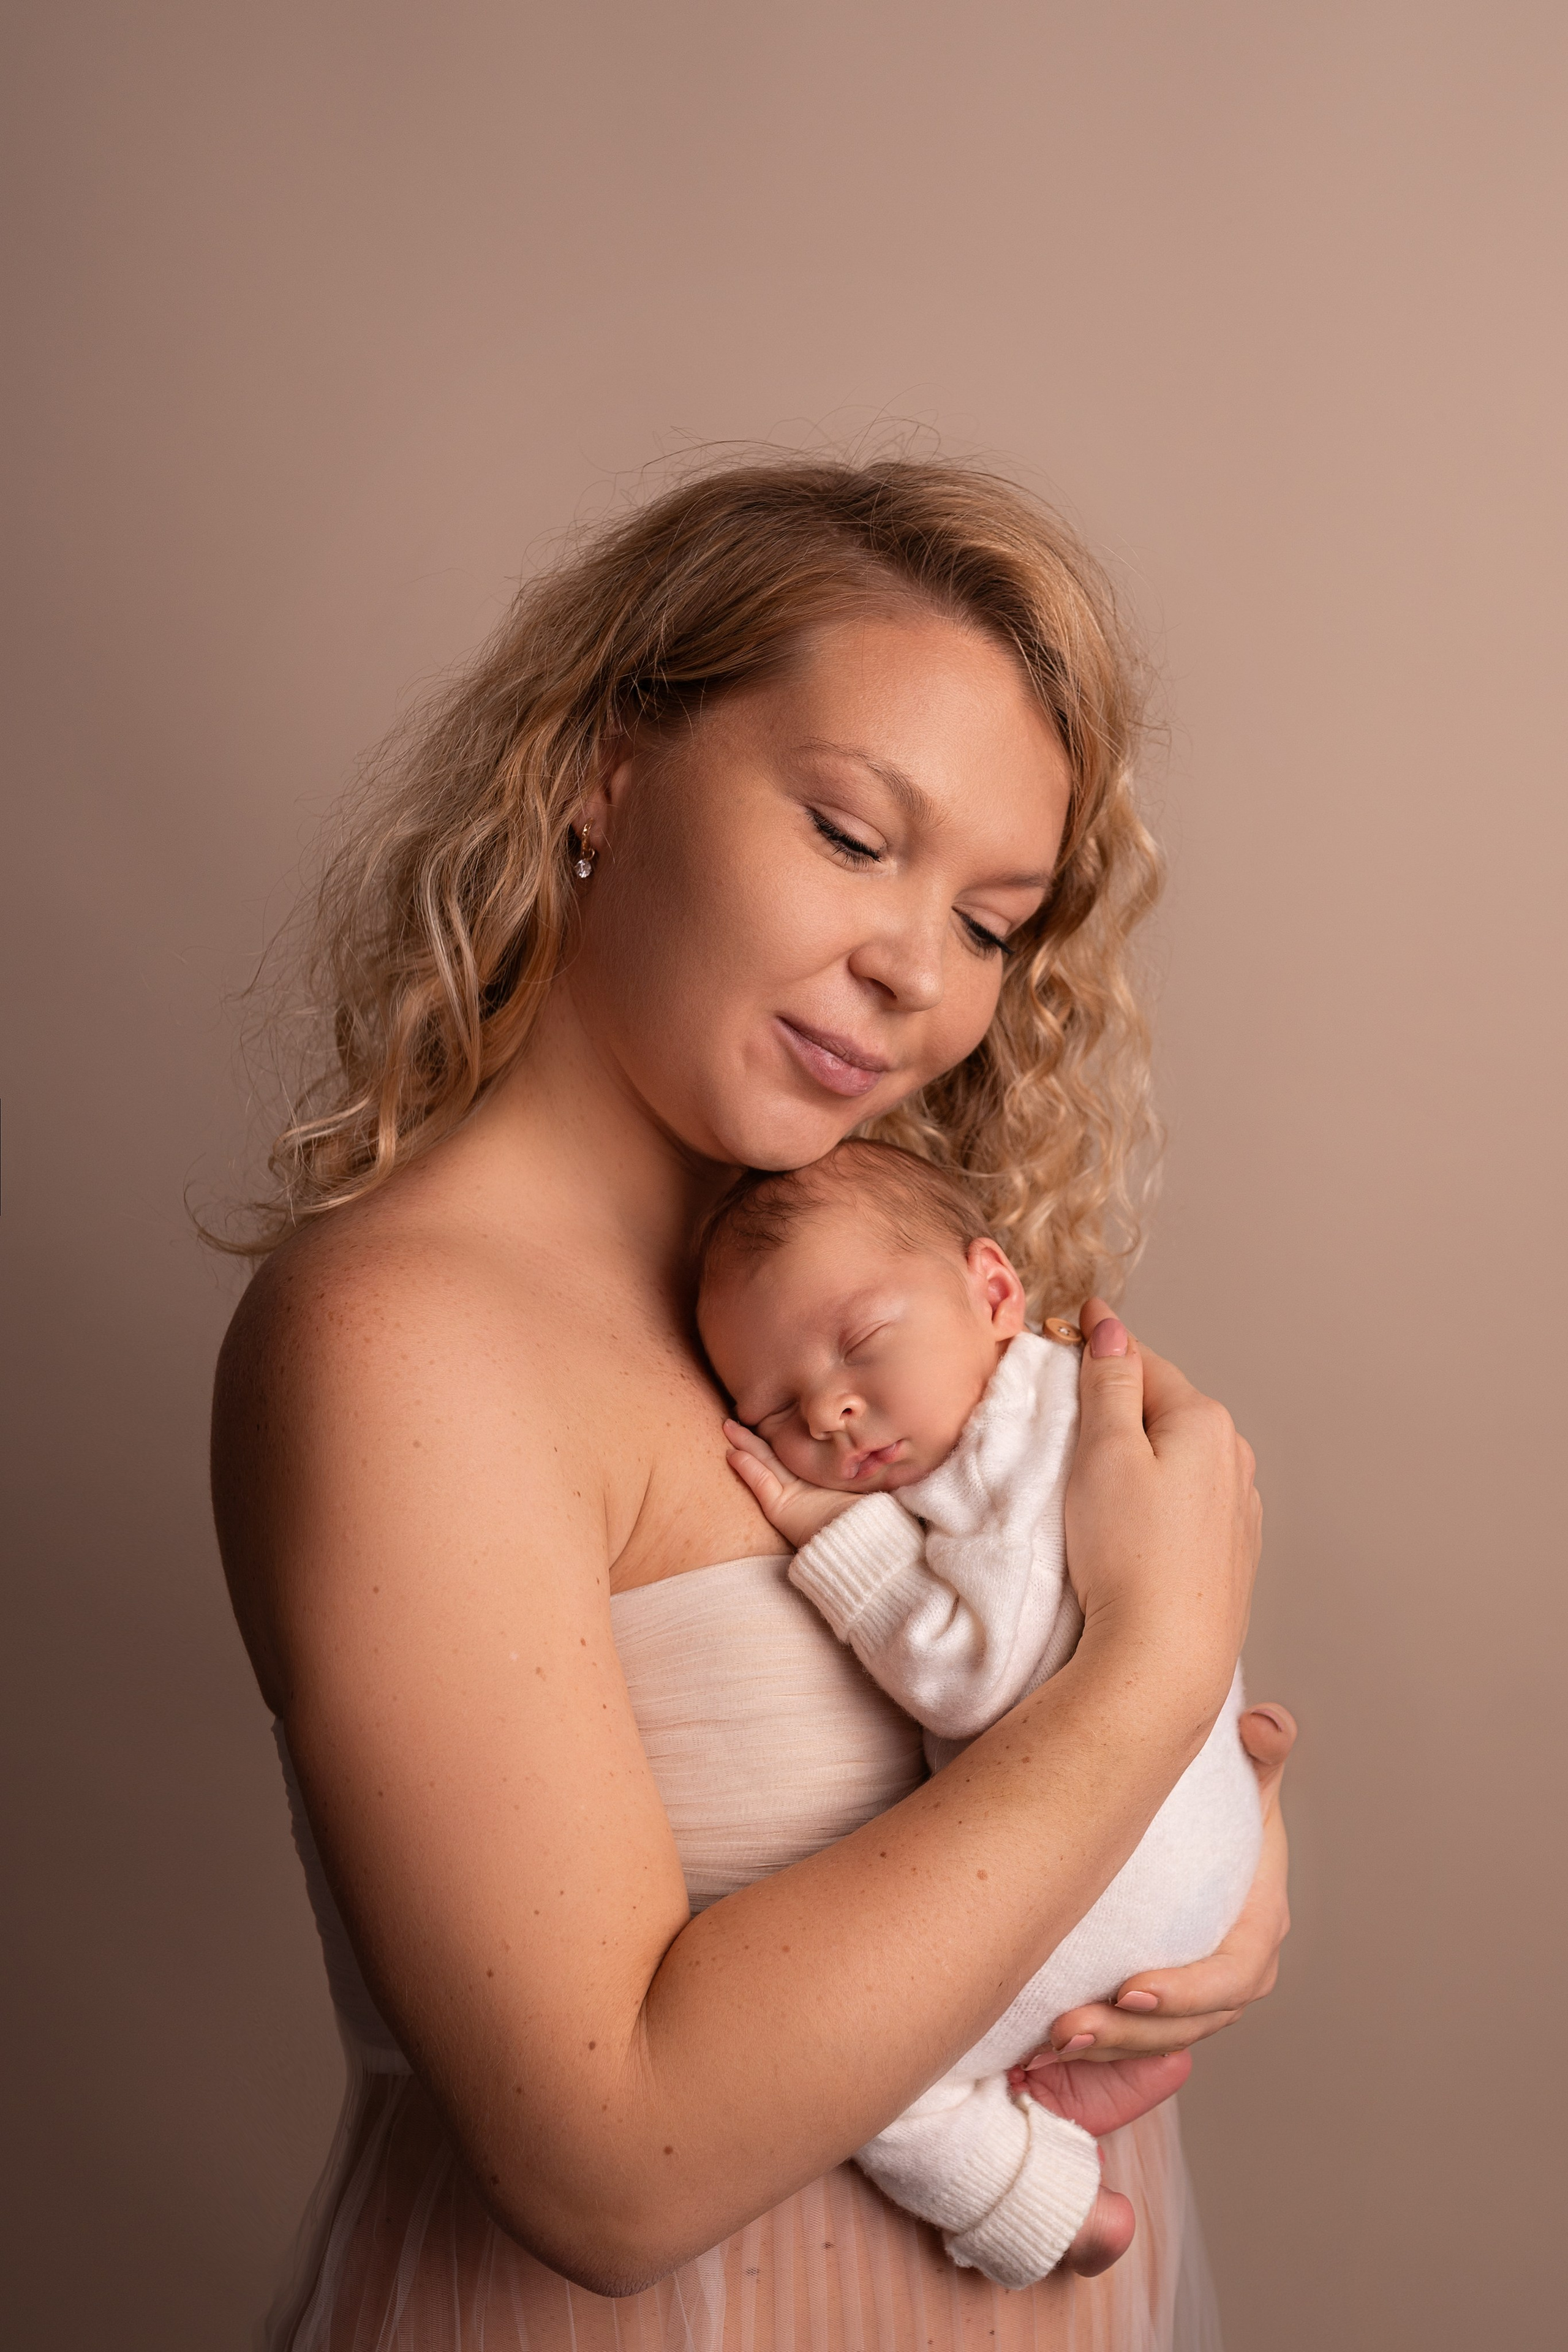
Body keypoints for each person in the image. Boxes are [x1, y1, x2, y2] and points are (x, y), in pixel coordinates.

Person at [211, 454, 1293, 2352]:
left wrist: (1234, 1879)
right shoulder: (401, 1343)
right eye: (856, 837)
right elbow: (604, 2166)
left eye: (991, 921)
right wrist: (1147, 1681)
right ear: (604, 771)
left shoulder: (859, 1306)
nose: (912, 973)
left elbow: (1050, 1742)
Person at [695, 1139, 1265, 2290]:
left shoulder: (1018, 1441)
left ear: (995, 1289)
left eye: (859, 1346)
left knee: (860, 2078)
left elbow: (972, 1677)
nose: (834, 1410)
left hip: (1125, 1863)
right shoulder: (1033, 1404)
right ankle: (1066, 2074)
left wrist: (830, 1533)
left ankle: (1052, 2210)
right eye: (779, 1411)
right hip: (1185, 1836)